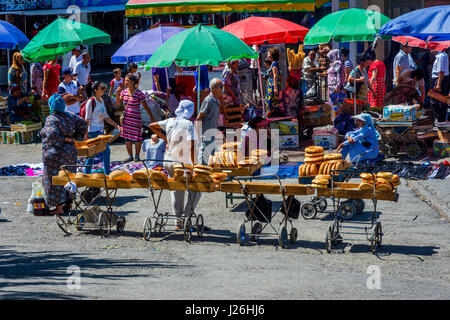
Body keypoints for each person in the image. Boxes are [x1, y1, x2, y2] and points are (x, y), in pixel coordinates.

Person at [149, 100, 200, 229]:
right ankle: (187, 218)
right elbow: (192, 145)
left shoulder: (170, 121)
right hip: (182, 163)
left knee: (176, 190)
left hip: (169, 161)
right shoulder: (188, 124)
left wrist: (167, 139)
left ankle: (178, 221)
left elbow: (152, 126)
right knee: (196, 189)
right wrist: (194, 166)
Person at [40, 94, 87, 215]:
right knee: (68, 177)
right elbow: (83, 123)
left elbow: (52, 134)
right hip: (70, 153)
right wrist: (75, 138)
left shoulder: (52, 118)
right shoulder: (70, 116)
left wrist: (65, 139)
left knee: (55, 179)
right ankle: (68, 204)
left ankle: (59, 207)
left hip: (55, 155)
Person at [115, 74, 155, 162]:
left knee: (137, 138)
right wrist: (117, 94)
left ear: (133, 82)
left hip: (136, 120)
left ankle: (137, 156)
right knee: (127, 138)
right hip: (126, 120)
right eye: (125, 81)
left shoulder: (139, 93)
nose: (125, 83)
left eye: (128, 81)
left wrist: (152, 117)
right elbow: (118, 104)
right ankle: (130, 156)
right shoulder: (123, 92)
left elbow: (146, 107)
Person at [84, 81, 121, 175]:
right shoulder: (90, 102)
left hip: (100, 131)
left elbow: (106, 117)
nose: (104, 89)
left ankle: (87, 173)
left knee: (94, 154)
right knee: (102, 152)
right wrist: (86, 135)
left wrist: (115, 125)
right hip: (93, 132)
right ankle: (107, 172)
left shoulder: (101, 100)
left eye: (104, 87)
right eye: (102, 88)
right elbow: (87, 120)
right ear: (95, 90)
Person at [196, 78, 222, 165]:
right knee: (204, 157)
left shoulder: (216, 101)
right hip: (206, 134)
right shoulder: (209, 100)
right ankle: (200, 174)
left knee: (214, 157)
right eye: (220, 87)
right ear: (213, 88)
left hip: (212, 134)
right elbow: (199, 117)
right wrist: (197, 133)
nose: (222, 89)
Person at [430, 49, 449, 122]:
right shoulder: (443, 55)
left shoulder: (441, 56)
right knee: (442, 100)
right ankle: (442, 119)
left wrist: (438, 84)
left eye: (432, 49)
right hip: (442, 79)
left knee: (433, 100)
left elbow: (441, 71)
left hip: (440, 79)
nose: (431, 51)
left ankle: (440, 118)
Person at [265, 47, 282, 114]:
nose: (267, 54)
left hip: (272, 85)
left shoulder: (274, 64)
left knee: (271, 100)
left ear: (271, 55)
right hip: (271, 84)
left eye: (268, 53)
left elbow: (275, 75)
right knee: (272, 100)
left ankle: (271, 114)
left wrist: (275, 88)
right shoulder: (273, 63)